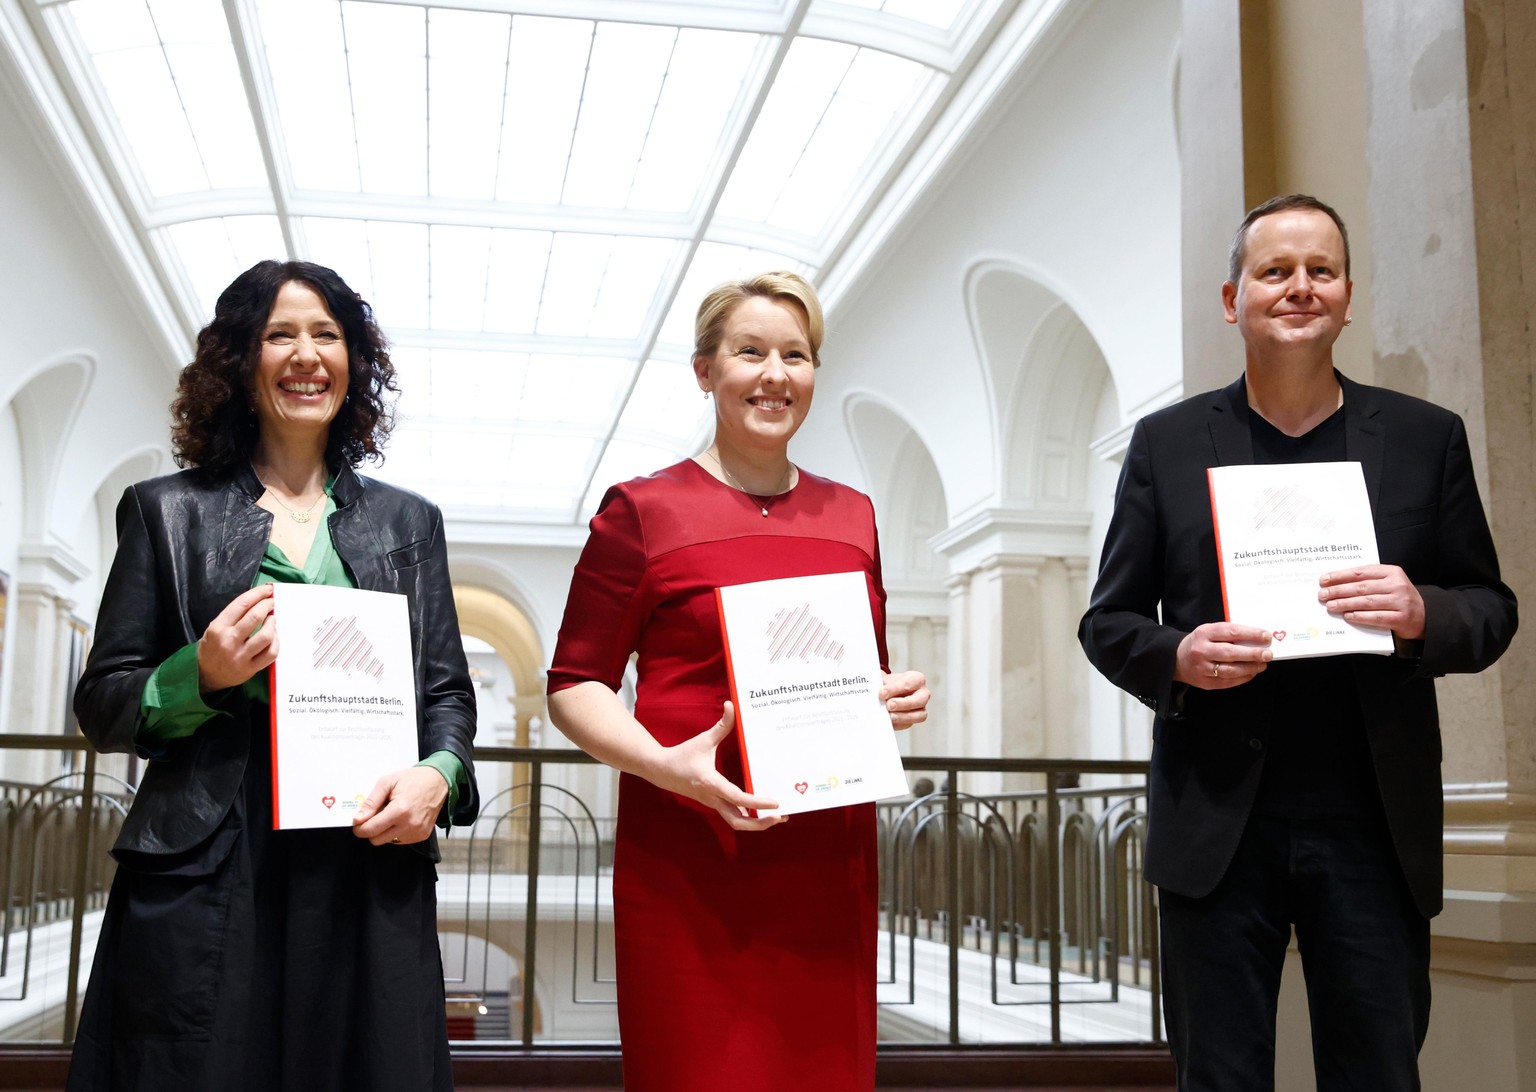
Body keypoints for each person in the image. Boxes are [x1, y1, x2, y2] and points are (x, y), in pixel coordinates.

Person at [1079, 194, 1517, 1090]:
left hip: (1372, 823)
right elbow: (1109, 621)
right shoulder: (1166, 445)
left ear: (1349, 296)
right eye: (1276, 271)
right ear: (1233, 299)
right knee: (1220, 1076)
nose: (1300, 287)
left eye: (1320, 270)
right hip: (1215, 826)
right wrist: (1179, 658)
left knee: (1377, 1073)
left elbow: (1491, 607)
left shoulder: (1427, 439)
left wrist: (1421, 610)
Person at [68, 260, 479, 1091]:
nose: (306, 354)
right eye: (279, 334)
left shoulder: (409, 523)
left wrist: (439, 775)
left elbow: (446, 696)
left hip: (369, 859)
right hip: (216, 855)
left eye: (326, 335)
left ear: (353, 363)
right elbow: (104, 698)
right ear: (238, 363)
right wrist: (201, 674)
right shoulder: (164, 510)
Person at [546, 272, 929, 1091]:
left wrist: (890, 699)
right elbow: (574, 684)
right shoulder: (642, 511)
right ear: (704, 370)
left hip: (827, 860)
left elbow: (865, 671)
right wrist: (663, 765)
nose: (774, 374)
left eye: (796, 355)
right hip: (689, 854)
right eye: (749, 352)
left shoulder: (853, 515)